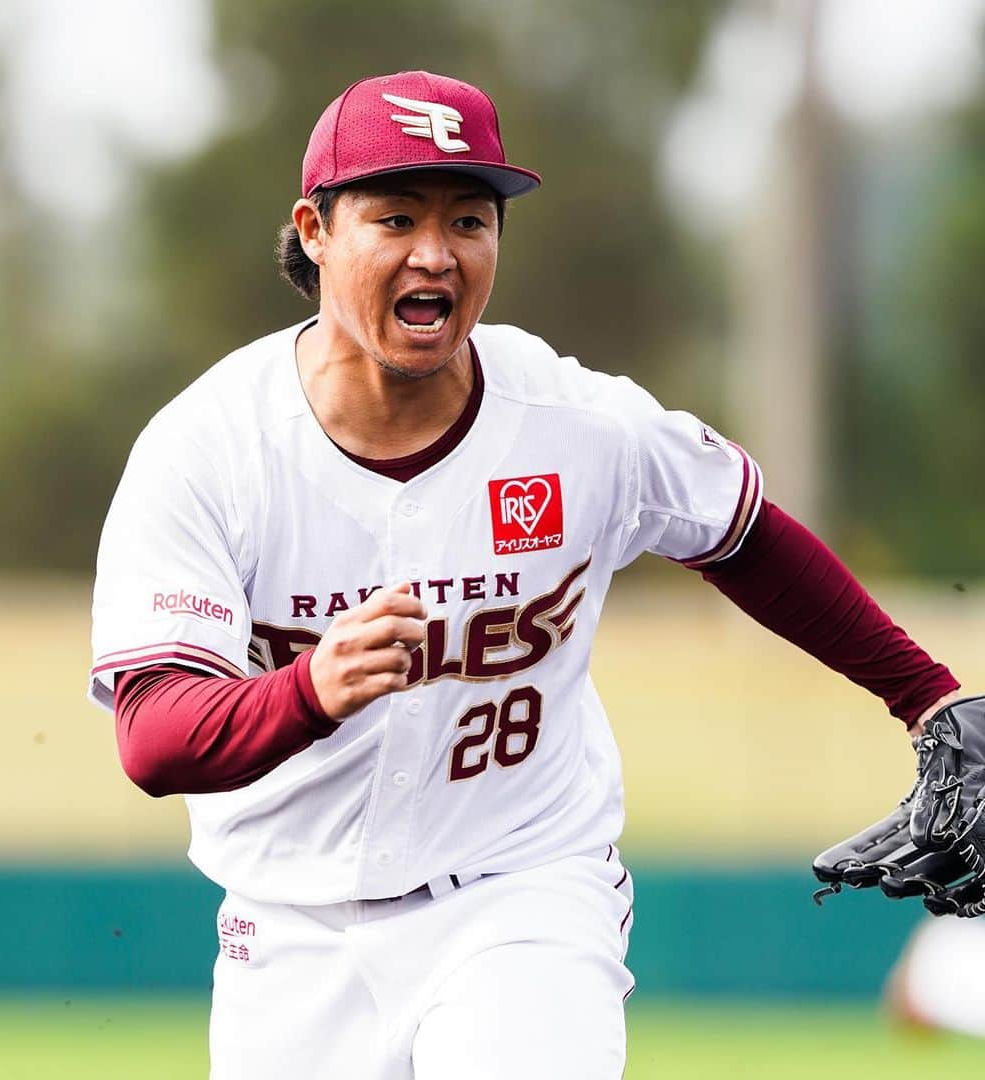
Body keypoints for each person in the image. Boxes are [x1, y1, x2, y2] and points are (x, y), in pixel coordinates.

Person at [89, 70, 963, 1079]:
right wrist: (307, 691)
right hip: (288, 926)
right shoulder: (209, 450)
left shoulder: (572, 421)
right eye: (396, 216)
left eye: (470, 218)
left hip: (521, 890)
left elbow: (741, 532)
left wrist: (928, 696)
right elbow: (153, 734)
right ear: (315, 230)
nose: (436, 252)